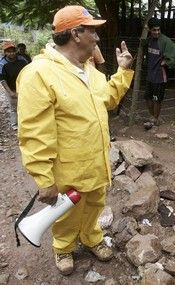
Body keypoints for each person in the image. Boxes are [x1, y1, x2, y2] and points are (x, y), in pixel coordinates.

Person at [16, 5, 134, 275]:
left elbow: (108, 100)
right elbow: (34, 131)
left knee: (94, 206)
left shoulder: (89, 70)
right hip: (67, 168)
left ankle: (91, 238)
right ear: (76, 34)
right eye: (92, 29)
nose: (97, 36)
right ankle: (63, 248)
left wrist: (123, 71)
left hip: (96, 162)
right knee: (67, 212)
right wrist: (44, 179)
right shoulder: (39, 73)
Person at [142, 17, 175, 128]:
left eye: (158, 30)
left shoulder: (165, 41)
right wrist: (145, 30)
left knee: (157, 99)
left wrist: (167, 61)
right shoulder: (149, 40)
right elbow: (143, 43)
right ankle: (153, 116)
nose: (156, 32)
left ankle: (155, 119)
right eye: (154, 30)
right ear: (150, 31)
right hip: (150, 75)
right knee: (147, 97)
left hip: (160, 76)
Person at [0, 41, 28, 130]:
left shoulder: (22, 60)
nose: (11, 53)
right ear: (5, 53)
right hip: (11, 87)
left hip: (23, 87)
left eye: (13, 51)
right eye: (9, 51)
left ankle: (26, 122)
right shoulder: (2, 63)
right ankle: (15, 124)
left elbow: (29, 71)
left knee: (25, 105)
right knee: (14, 107)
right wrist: (10, 92)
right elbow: (3, 80)